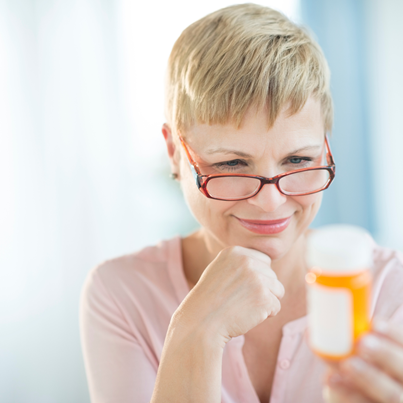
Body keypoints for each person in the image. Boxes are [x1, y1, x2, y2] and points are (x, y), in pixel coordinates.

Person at [80, 4, 403, 403]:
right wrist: (194, 333)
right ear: (173, 153)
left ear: (325, 147)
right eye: (232, 164)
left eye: (299, 160)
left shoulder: (392, 292)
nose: (270, 202)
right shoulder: (122, 295)